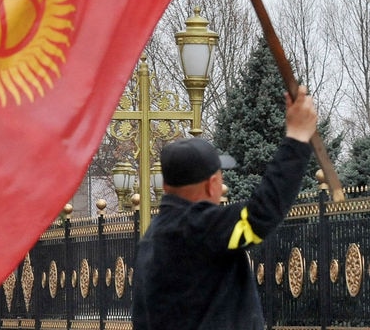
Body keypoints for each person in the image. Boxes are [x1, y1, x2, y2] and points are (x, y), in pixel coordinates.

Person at [131, 86, 318, 330]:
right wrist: (297, 138)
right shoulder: (197, 228)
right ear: (212, 185)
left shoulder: (153, 237)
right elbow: (261, 215)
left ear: (165, 184)